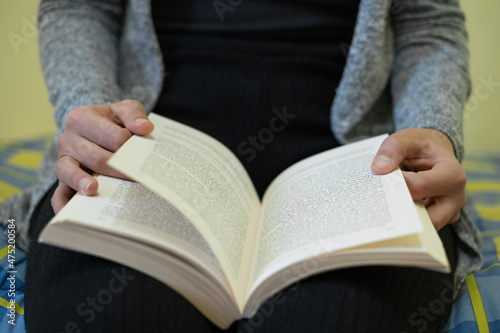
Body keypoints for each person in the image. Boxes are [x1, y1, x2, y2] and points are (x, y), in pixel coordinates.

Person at [0, 0, 483, 332]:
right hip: (143, 146)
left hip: (356, 158)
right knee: (113, 319)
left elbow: (428, 23)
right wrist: (94, 115)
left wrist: (432, 130)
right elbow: (80, 6)